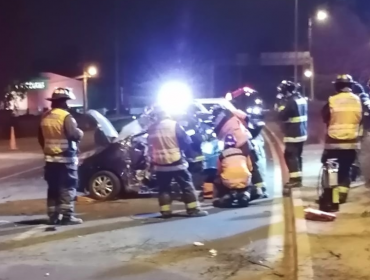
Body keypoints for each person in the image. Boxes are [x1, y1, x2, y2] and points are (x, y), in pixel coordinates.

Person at [147, 106, 208, 218]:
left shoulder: (152, 128)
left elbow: (150, 145)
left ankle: (165, 211)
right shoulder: (174, 125)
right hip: (176, 162)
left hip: (160, 164)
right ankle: (193, 209)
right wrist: (189, 155)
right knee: (186, 185)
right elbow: (185, 141)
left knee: (163, 188)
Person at [39, 88, 84, 225]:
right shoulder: (65, 117)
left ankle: (53, 216)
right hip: (65, 159)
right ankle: (67, 216)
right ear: (63, 102)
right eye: (67, 101)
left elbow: (41, 138)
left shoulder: (45, 117)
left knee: (53, 188)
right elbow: (73, 135)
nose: (68, 105)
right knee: (68, 187)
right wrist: (80, 133)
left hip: (50, 160)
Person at [321, 74, 362, 204]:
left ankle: (331, 196)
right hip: (351, 143)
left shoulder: (332, 100)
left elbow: (325, 117)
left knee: (331, 168)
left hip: (333, 143)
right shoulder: (358, 100)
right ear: (351, 86)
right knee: (346, 168)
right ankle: (342, 195)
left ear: (337, 86)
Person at [212, 106, 268, 200]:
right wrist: (244, 126)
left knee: (232, 164)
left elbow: (219, 137)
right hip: (243, 140)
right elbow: (246, 117)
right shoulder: (231, 112)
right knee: (251, 165)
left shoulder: (215, 124)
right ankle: (260, 188)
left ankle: (233, 189)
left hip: (230, 145)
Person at [275, 80, 308, 189]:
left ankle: (295, 180)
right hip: (302, 132)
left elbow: (282, 116)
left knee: (290, 155)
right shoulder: (301, 99)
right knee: (298, 155)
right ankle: (299, 177)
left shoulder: (291, 102)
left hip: (293, 133)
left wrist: (279, 105)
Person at [213, 134, 252, 208]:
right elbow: (250, 167)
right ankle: (246, 195)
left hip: (228, 182)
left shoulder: (222, 155)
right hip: (245, 180)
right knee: (249, 178)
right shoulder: (243, 152)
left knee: (217, 179)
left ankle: (220, 198)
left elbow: (219, 170)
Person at [353, 81, 370, 186]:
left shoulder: (361, 101)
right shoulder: (367, 99)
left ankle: (367, 180)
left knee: (364, 156)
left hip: (365, 132)